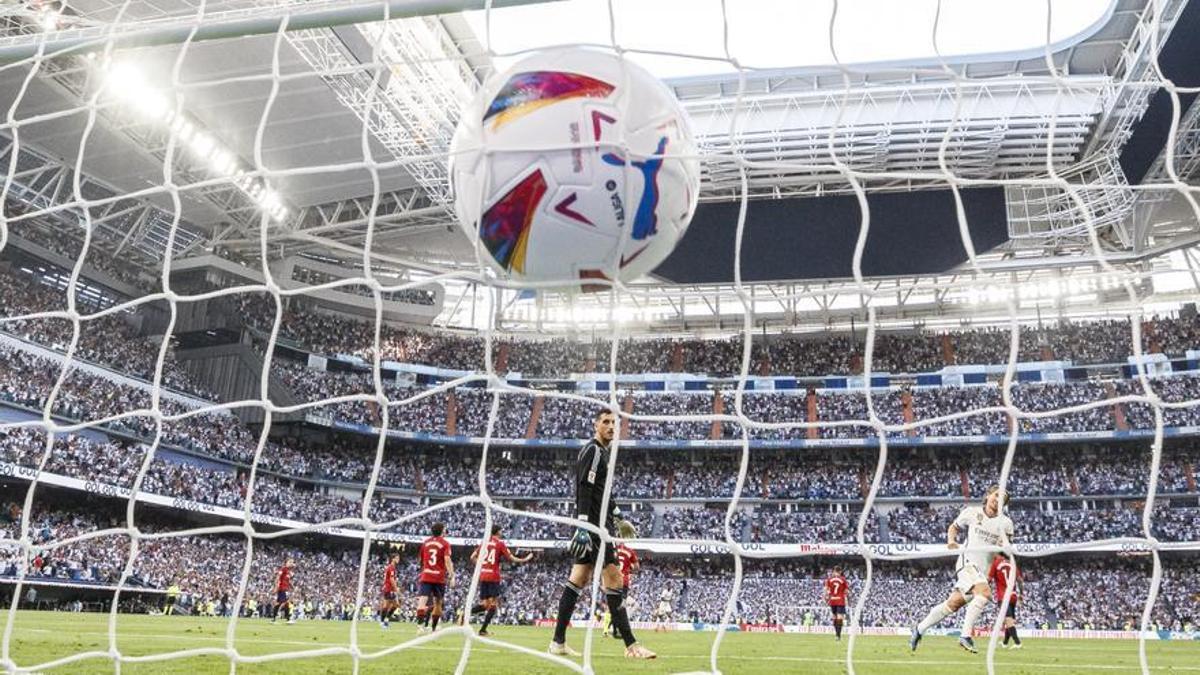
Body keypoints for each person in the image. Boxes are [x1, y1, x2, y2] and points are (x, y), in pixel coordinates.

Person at [548, 409, 655, 660]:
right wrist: (584, 525)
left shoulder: (601, 453)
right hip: (595, 528)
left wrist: (619, 515)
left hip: (600, 524)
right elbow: (585, 486)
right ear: (596, 425)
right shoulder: (594, 451)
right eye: (605, 422)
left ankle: (558, 642)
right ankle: (631, 645)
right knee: (615, 581)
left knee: (578, 579)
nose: (610, 426)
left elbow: (603, 491)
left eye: (613, 423)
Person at [910, 486, 1014, 654]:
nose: (998, 499)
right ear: (988, 495)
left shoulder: (1006, 524)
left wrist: (1005, 549)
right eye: (996, 495)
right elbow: (954, 526)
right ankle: (965, 636)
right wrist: (951, 541)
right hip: (967, 562)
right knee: (985, 594)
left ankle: (919, 629)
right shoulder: (971, 512)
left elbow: (1006, 551)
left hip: (983, 569)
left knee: (953, 604)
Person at [468, 524, 533, 636]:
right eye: (501, 531)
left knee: (484, 605)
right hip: (493, 576)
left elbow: (472, 557)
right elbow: (511, 558)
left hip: (483, 575)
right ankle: (483, 630)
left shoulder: (484, 543)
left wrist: (482, 566)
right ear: (497, 532)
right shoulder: (500, 544)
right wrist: (525, 559)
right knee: (493, 605)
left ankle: (465, 614)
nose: (502, 533)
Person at [416, 522, 453, 633]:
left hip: (426, 575)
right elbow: (447, 559)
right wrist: (451, 573)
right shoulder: (445, 543)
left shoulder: (425, 543)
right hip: (439, 577)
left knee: (422, 601)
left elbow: (421, 561)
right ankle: (434, 627)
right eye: (445, 529)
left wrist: (424, 569)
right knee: (438, 602)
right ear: (442, 531)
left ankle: (420, 627)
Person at [988, 552, 1023, 649]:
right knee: (1009, 620)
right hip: (1013, 596)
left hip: (1003, 596)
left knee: (1008, 620)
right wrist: (1021, 594)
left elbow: (989, 579)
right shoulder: (1012, 564)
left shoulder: (996, 563)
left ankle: (1017, 643)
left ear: (996, 553)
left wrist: (986, 590)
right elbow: (1020, 580)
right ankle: (1005, 643)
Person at [824, 565, 849, 641]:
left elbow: (826, 590)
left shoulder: (829, 579)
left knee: (834, 617)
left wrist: (826, 598)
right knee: (839, 617)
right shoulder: (843, 579)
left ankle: (836, 635)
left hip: (833, 600)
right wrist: (846, 597)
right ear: (840, 572)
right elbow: (847, 591)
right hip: (840, 600)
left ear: (834, 571)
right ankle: (838, 635)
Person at [379, 550, 402, 629]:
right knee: (386, 606)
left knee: (396, 605)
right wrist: (396, 589)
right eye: (397, 558)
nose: (398, 559)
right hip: (389, 589)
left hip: (390, 588)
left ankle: (386, 620)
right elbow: (391, 579)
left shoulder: (392, 567)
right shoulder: (391, 567)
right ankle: (382, 622)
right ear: (393, 559)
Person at [271, 558, 296, 625]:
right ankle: (288, 619)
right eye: (290, 562)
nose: (291, 563)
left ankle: (273, 619)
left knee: (278, 603)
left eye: (292, 562)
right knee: (286, 602)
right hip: (281, 588)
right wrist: (275, 587)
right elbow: (278, 577)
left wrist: (292, 587)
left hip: (285, 589)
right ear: (286, 562)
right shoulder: (283, 569)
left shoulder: (289, 571)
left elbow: (288, 581)